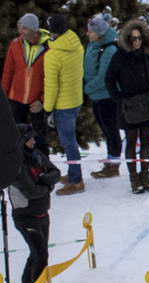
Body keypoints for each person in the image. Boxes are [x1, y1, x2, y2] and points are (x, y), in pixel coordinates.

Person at [106, 18, 149, 195]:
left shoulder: (147, 55)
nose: (137, 41)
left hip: (147, 103)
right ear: (127, 39)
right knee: (131, 142)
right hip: (128, 106)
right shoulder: (119, 56)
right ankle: (134, 177)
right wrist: (119, 98)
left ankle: (145, 175)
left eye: (140, 38)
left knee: (146, 141)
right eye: (133, 39)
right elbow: (109, 79)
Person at [7, 120, 56, 283]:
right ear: (21, 141)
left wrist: (46, 183)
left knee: (36, 253)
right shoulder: (16, 166)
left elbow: (55, 172)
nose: (33, 141)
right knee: (41, 255)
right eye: (29, 139)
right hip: (26, 216)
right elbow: (31, 191)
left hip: (43, 212)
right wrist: (47, 185)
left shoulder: (36, 155)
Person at [40, 14, 85, 194]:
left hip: (62, 105)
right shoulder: (75, 43)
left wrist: (47, 109)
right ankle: (73, 172)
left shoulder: (53, 56)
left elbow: (51, 86)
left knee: (68, 143)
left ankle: (76, 181)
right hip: (75, 100)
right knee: (70, 141)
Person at [83, 15, 121, 181]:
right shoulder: (93, 46)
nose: (88, 33)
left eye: (91, 31)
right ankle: (109, 161)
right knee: (106, 130)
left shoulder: (109, 49)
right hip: (97, 96)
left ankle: (113, 165)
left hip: (107, 97)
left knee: (111, 131)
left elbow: (103, 77)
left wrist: (87, 88)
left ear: (99, 33)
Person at [4, 13, 47, 140]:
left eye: (24, 28)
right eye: (19, 28)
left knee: (40, 138)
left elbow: (52, 78)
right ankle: (20, 160)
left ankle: (41, 160)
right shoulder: (15, 44)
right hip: (15, 99)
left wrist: (42, 100)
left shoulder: (48, 47)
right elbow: (8, 71)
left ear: (33, 30)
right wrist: (4, 98)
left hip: (36, 101)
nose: (20, 31)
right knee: (17, 137)